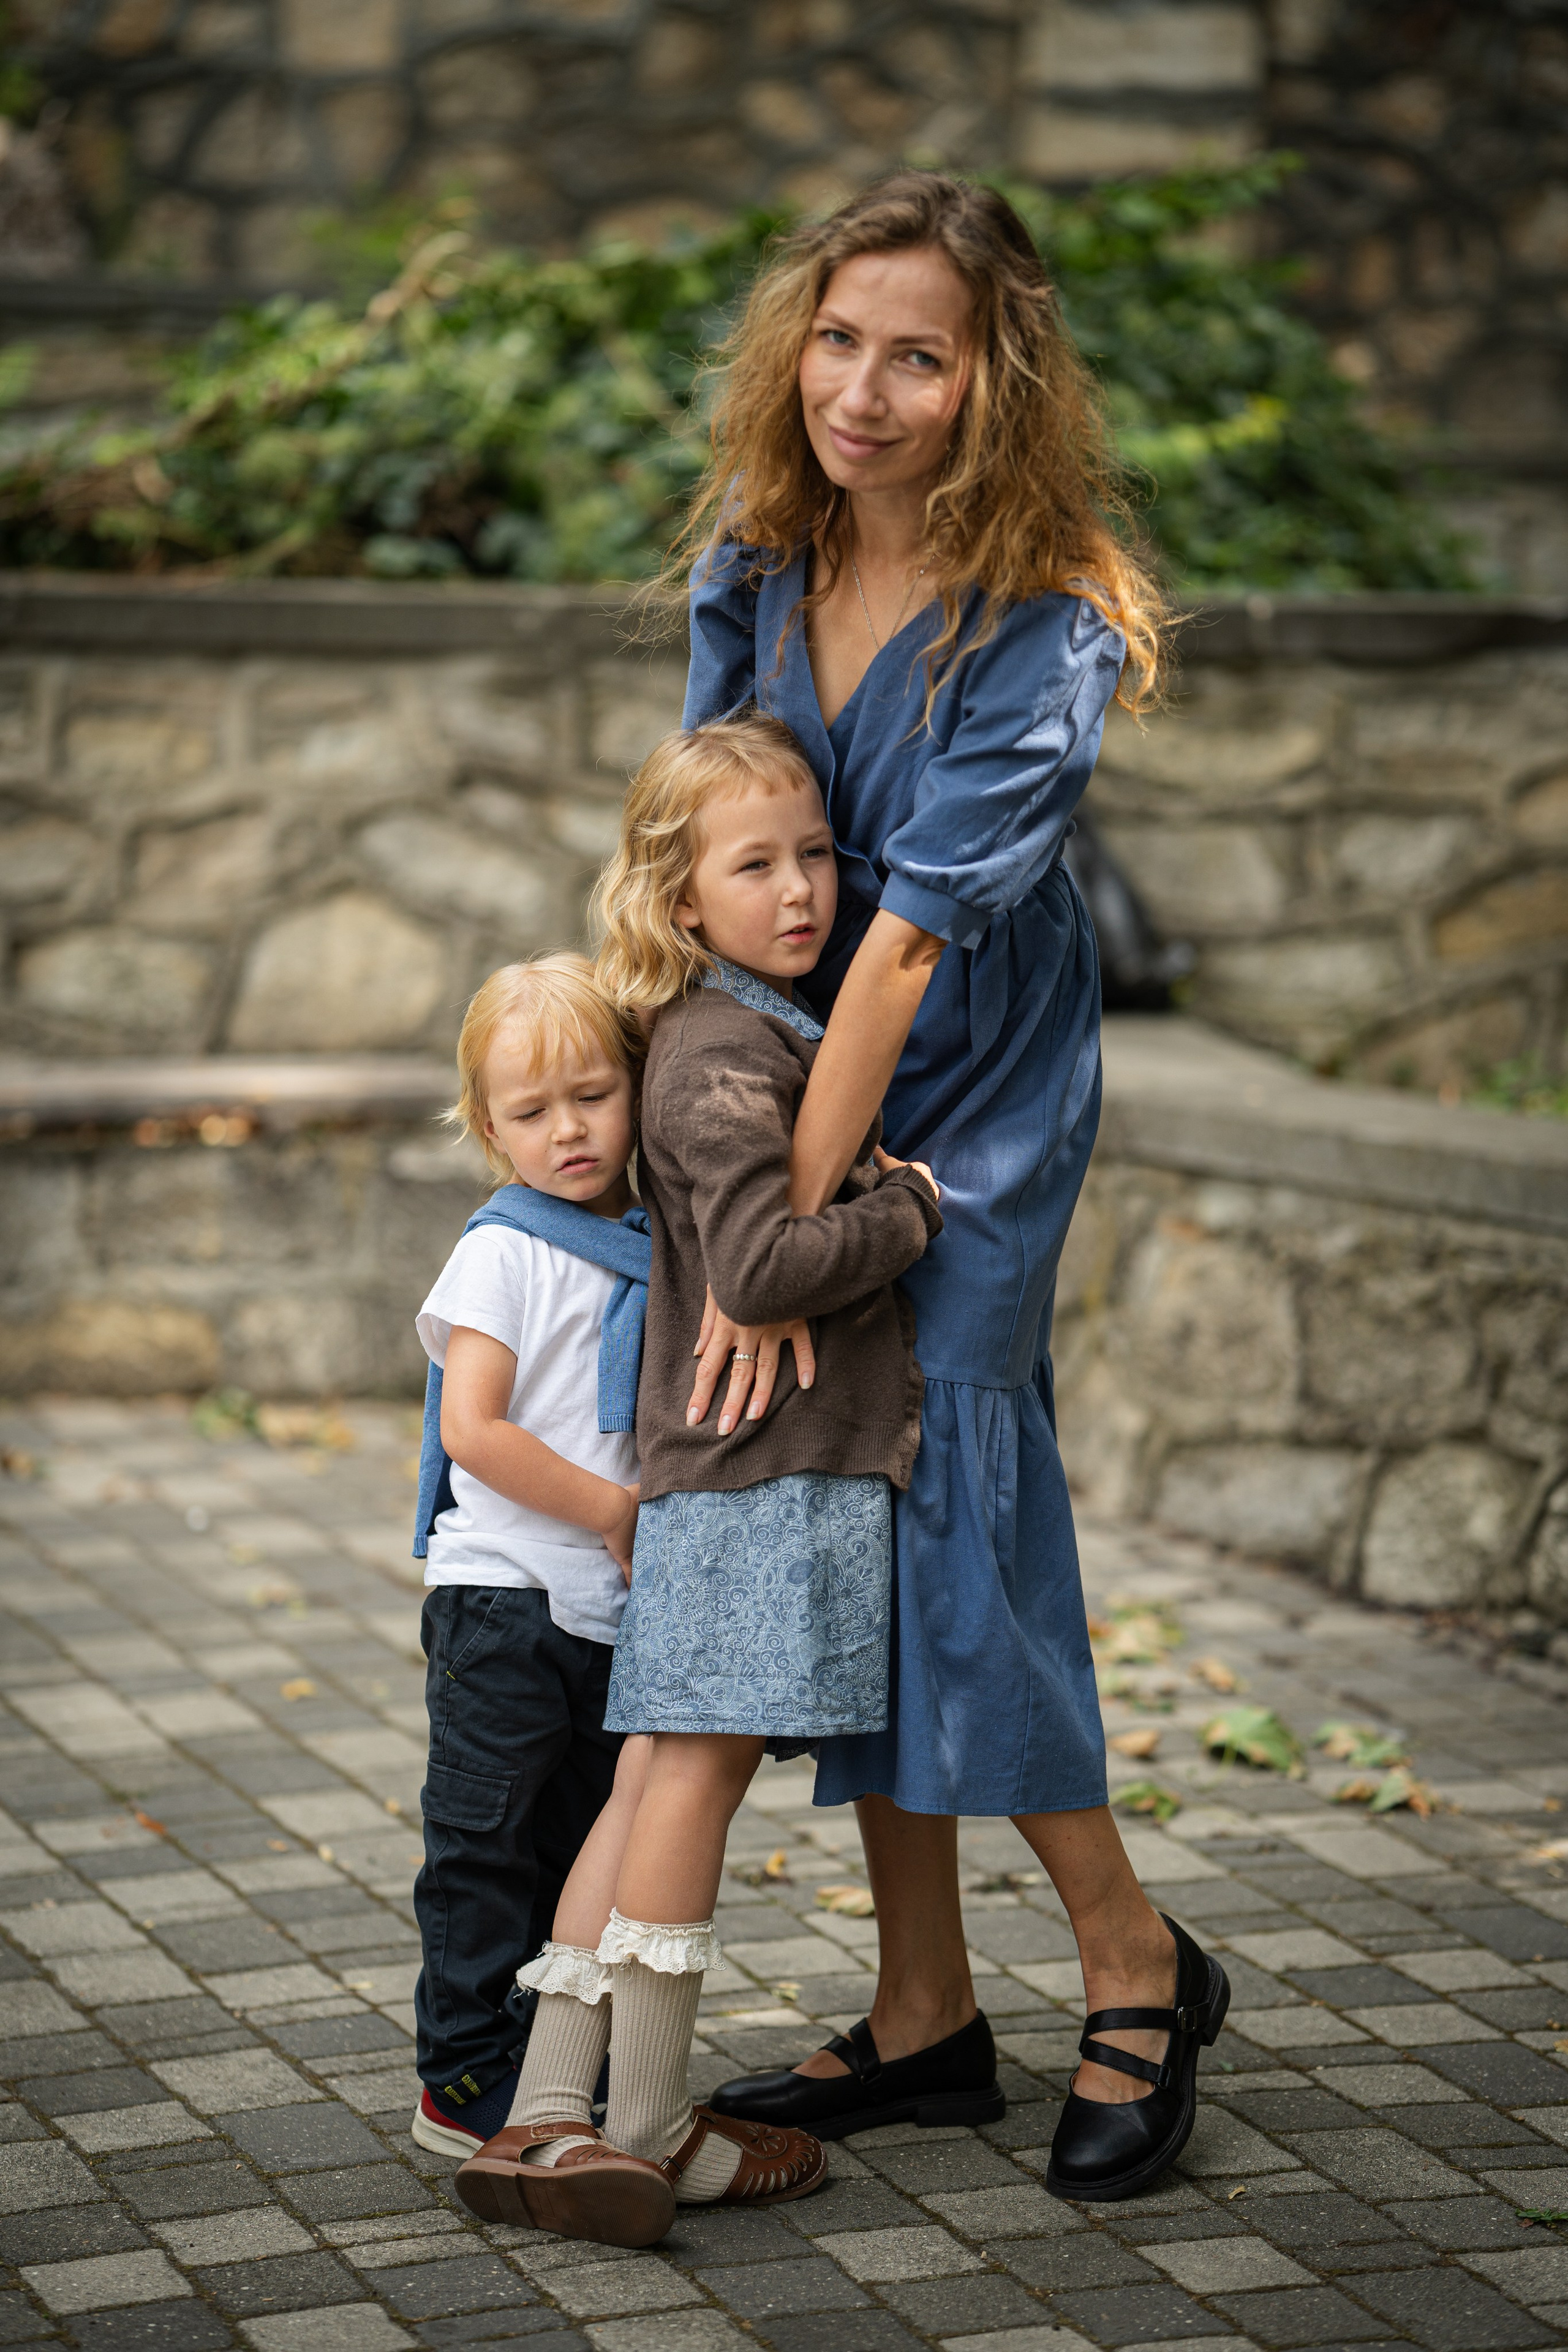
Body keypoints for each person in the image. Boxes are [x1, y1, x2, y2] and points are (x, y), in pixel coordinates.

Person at [668, 172, 1231, 2202]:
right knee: (844, 1489)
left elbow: (905, 949)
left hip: (970, 1099)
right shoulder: (761, 560)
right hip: (800, 1081)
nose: (864, 389)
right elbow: (713, 843)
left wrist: (770, 1244)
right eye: (839, 339)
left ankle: (1133, 1960)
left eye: (920, 356)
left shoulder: (1050, 620)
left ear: (996, 382)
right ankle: (924, 2012)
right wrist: (700, 1145)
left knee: (952, 1501)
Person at [450, 713, 945, 2243]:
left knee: (652, 1775)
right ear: (680, 900)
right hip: (762, 1476)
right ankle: (653, 2123)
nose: (799, 889)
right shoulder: (724, 1053)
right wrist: (908, 1212)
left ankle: (545, 2113)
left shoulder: (724, 1028)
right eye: (754, 866)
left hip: (718, 1478)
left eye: (815, 855)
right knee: (693, 1777)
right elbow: (760, 1265)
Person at [407, 954, 650, 2160]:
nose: (569, 1130)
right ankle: (460, 2076)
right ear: (487, 1126)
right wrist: (609, 1506)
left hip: (601, 1610)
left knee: (574, 1846)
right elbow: (474, 1427)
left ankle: (548, 2067)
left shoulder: (649, 1242)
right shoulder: (503, 1251)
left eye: (593, 1096)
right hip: (501, 1601)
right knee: (484, 1846)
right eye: (533, 1110)